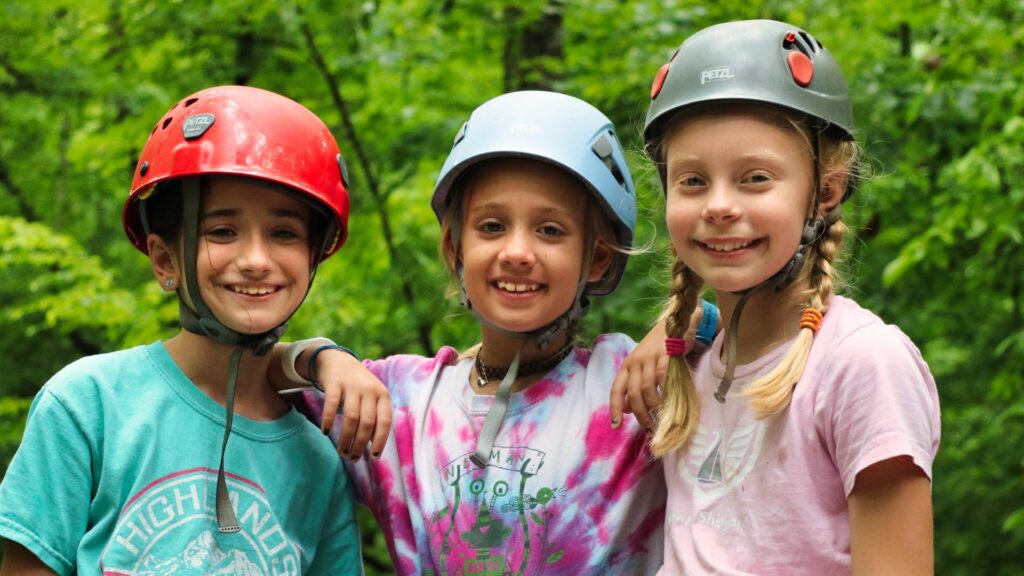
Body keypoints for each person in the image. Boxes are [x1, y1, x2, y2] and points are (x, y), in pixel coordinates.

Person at [276, 91, 677, 575]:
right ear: (454, 246)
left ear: (597, 257)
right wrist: (319, 356)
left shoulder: (627, 388)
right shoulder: (404, 402)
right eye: (491, 226)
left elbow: (767, 357)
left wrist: (688, 324)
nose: (517, 251)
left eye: (550, 230)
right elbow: (242, 370)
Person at [0, 86, 362, 575]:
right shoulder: (89, 405)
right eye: (222, 232)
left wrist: (324, 355)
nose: (256, 260)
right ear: (165, 259)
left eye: (284, 233)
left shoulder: (317, 462)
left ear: (313, 257)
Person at [631, 19, 941, 574]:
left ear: (826, 191)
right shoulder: (692, 363)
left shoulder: (861, 364)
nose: (718, 206)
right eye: (693, 180)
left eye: (755, 178)